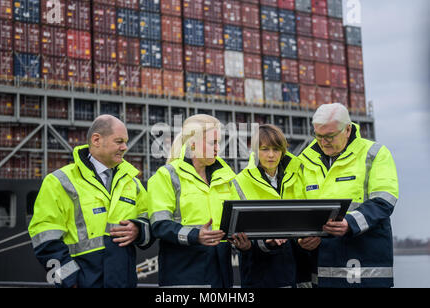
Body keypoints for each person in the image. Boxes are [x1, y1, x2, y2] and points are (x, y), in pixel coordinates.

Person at [28, 114, 152, 288]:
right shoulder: (59, 182)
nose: (125, 147)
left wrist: (138, 229)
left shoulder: (133, 183)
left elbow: (151, 220)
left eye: (126, 141)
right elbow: (45, 240)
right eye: (119, 141)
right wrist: (69, 281)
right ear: (96, 140)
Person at [297, 103, 399, 288]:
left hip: (365, 266)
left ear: (348, 129)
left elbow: (384, 200)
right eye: (318, 135)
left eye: (329, 136)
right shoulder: (303, 160)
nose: (323, 141)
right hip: (320, 268)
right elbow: (296, 206)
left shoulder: (374, 154)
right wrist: (303, 236)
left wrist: (350, 224)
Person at [147, 114, 236, 287]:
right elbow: (160, 225)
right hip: (184, 274)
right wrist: (196, 236)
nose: (218, 148)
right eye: (213, 143)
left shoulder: (228, 177)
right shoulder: (166, 176)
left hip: (221, 274)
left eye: (219, 142)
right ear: (193, 144)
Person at [229, 124, 310, 288]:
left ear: (283, 151)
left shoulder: (299, 176)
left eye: (276, 149)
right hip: (258, 273)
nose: (271, 155)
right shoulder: (240, 182)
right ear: (255, 151)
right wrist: (264, 242)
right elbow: (235, 231)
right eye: (265, 149)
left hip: (295, 270)